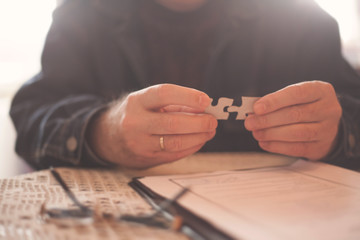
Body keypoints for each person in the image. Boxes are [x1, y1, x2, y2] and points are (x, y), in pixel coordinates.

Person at [9, 0, 360, 170]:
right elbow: (31, 114)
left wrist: (338, 130)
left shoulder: (303, 20)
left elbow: (352, 109)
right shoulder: (82, 13)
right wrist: (101, 131)